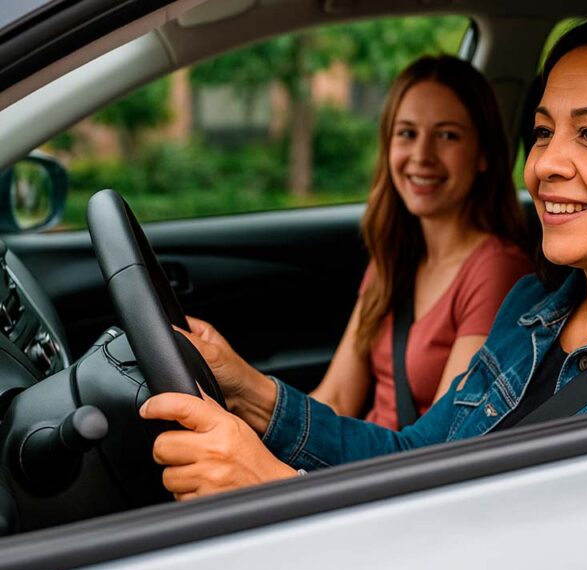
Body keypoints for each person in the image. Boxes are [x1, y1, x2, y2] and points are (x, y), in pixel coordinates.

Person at [140, 10, 587, 500]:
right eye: (541, 133)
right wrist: (247, 390)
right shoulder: (529, 313)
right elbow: (409, 458)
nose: (545, 165)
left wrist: (270, 486)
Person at [187, 55, 534, 432]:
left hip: (393, 477)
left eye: (447, 135)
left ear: (483, 154)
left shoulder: (497, 269)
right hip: (354, 462)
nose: (421, 156)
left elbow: (440, 440)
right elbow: (335, 398)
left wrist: (248, 390)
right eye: (406, 133)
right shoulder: (394, 258)